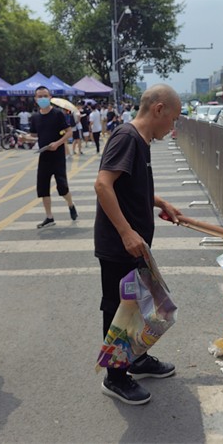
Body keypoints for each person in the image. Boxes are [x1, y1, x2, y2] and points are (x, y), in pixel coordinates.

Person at [94, 83, 182, 405]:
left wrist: (159, 202)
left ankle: (137, 359)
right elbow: (103, 185)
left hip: (135, 245)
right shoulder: (127, 138)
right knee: (119, 309)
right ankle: (115, 377)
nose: (172, 127)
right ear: (159, 110)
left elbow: (130, 185)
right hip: (119, 246)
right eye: (173, 118)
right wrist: (126, 232)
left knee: (140, 306)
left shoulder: (141, 141)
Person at [27, 86, 78, 227]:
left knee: (62, 187)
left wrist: (57, 143)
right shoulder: (35, 117)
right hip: (44, 156)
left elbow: (69, 132)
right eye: (39, 96)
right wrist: (24, 138)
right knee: (43, 187)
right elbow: (34, 135)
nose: (42, 98)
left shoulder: (58, 114)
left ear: (50, 97)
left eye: (45, 95)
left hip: (58, 156)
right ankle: (49, 217)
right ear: (35, 99)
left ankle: (71, 204)